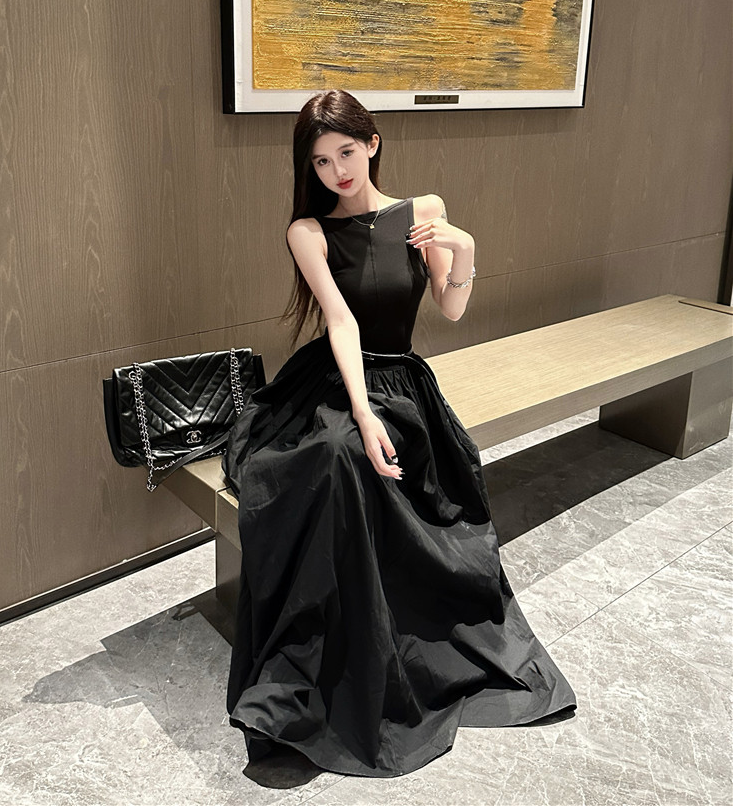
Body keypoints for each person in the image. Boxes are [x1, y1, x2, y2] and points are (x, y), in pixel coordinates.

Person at [223, 89, 576, 783]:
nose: (336, 171)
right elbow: (341, 322)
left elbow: (450, 306)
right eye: (320, 161)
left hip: (404, 382)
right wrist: (360, 412)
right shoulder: (308, 231)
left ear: (373, 143)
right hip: (336, 380)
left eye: (346, 153)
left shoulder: (425, 212)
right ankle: (318, 665)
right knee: (337, 458)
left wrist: (464, 248)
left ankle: (404, 638)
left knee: (414, 477)